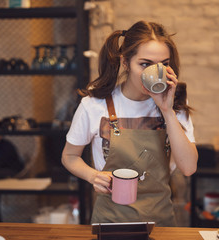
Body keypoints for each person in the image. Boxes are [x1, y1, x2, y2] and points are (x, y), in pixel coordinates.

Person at [61, 20, 198, 227]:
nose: (156, 72)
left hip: (160, 222)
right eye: (145, 64)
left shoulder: (175, 104)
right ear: (125, 62)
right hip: (110, 222)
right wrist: (93, 176)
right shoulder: (94, 105)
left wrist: (167, 110)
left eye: (164, 64)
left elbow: (188, 168)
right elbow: (69, 156)